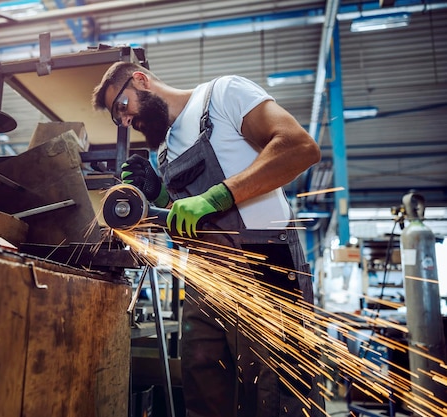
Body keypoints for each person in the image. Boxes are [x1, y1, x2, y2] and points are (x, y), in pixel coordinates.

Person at [92, 62, 325, 417]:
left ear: (140, 80)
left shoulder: (222, 95)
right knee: (206, 395)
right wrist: (157, 200)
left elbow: (299, 147)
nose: (124, 121)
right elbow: (187, 219)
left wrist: (217, 196)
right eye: (117, 118)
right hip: (205, 279)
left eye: (122, 106)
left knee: (275, 398)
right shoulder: (165, 151)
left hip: (263, 264)